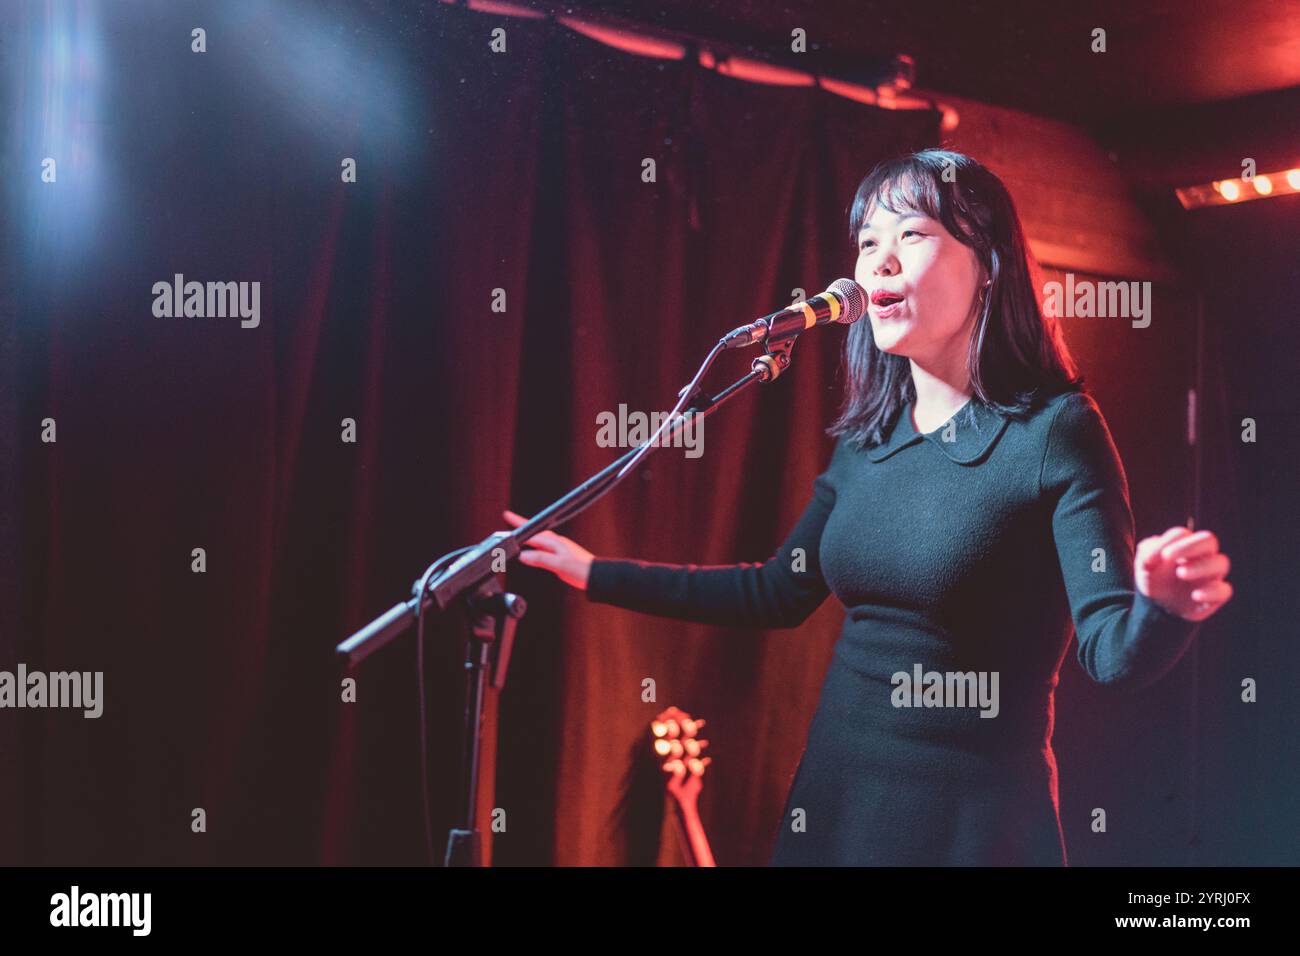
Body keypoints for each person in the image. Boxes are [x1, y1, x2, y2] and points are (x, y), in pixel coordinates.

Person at [502, 148, 1233, 866]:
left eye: (911, 235)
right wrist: (597, 574)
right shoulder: (868, 437)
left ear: (988, 265)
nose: (878, 261)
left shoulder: (1055, 430)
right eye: (867, 242)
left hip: (971, 827)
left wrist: (1163, 607)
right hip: (835, 804)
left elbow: (1110, 650)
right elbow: (776, 590)